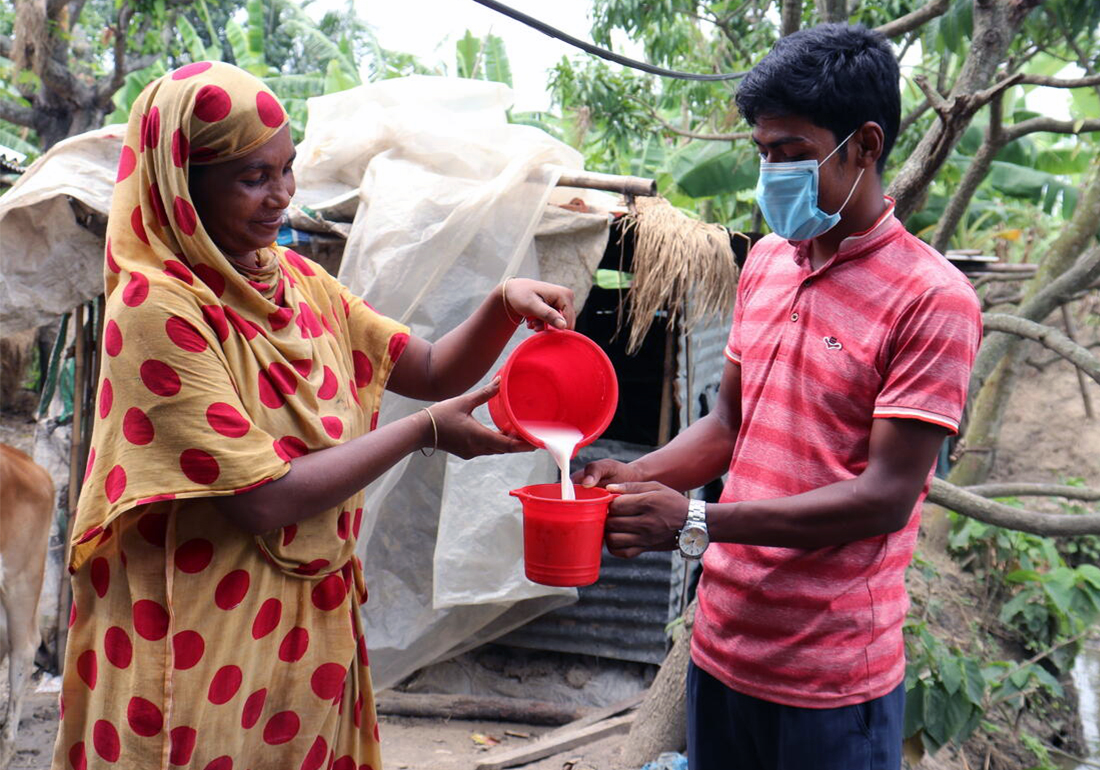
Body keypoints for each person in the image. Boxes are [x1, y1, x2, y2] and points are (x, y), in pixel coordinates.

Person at [54, 60, 575, 770]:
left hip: (303, 621)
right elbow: (264, 500)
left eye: (287, 170)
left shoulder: (294, 280)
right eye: (252, 178)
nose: (281, 197)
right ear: (184, 186)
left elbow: (427, 368)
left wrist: (502, 304)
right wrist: (423, 432)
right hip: (198, 627)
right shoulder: (155, 306)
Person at [575, 24, 983, 770]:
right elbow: (731, 421)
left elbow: (886, 497)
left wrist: (695, 520)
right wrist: (638, 476)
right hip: (723, 648)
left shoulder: (932, 300)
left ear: (864, 146)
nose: (771, 175)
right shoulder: (766, 262)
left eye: (791, 154)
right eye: (762, 153)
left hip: (831, 679)